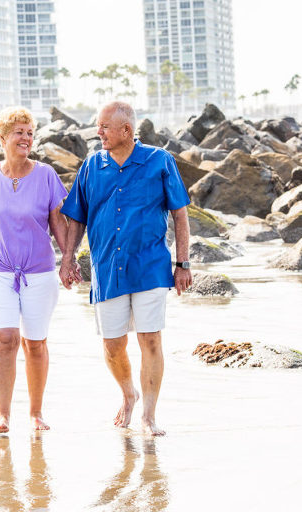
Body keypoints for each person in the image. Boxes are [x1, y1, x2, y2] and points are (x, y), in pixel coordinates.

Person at [58, 101, 192, 437]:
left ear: (126, 131)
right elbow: (76, 216)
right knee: (112, 344)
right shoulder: (91, 165)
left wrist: (183, 264)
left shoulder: (159, 161)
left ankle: (148, 414)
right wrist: (68, 258)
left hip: (150, 266)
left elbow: (180, 215)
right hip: (106, 269)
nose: (97, 132)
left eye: (103, 126)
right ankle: (128, 393)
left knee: (150, 339)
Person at [0, 106, 69, 434]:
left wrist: (68, 259)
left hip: (38, 270)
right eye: (19, 132)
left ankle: (35, 413)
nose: (26, 138)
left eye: (30, 133)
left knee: (35, 343)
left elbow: (57, 221)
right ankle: (3, 414)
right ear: (3, 138)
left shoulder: (46, 175)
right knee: (5, 339)